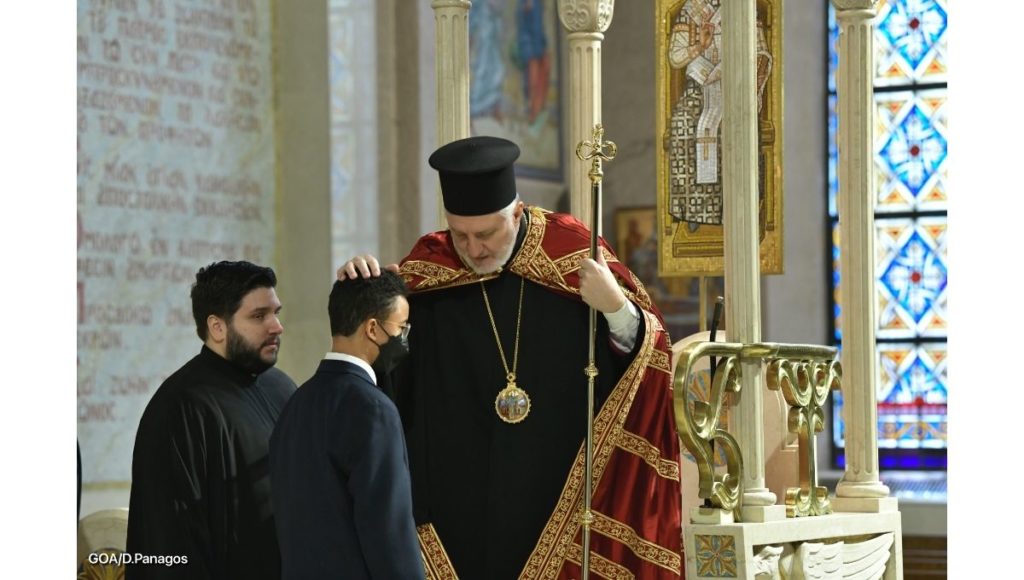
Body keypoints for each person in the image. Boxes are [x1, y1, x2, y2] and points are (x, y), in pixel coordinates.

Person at [339, 136, 683, 579]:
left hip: (560, 490)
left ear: (517, 213)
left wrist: (616, 307)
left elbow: (645, 358)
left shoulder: (572, 250)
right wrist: (370, 298)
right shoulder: (430, 268)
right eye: (460, 234)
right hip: (458, 503)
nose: (474, 248)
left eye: (486, 234)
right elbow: (392, 371)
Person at [126, 261, 297, 580]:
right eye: (259, 316)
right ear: (217, 327)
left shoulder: (282, 388)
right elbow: (167, 542)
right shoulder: (180, 406)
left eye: (276, 312)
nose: (276, 326)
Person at [269, 272, 424, 580]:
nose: (404, 338)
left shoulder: (296, 402)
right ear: (372, 328)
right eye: (401, 327)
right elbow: (388, 530)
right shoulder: (374, 409)